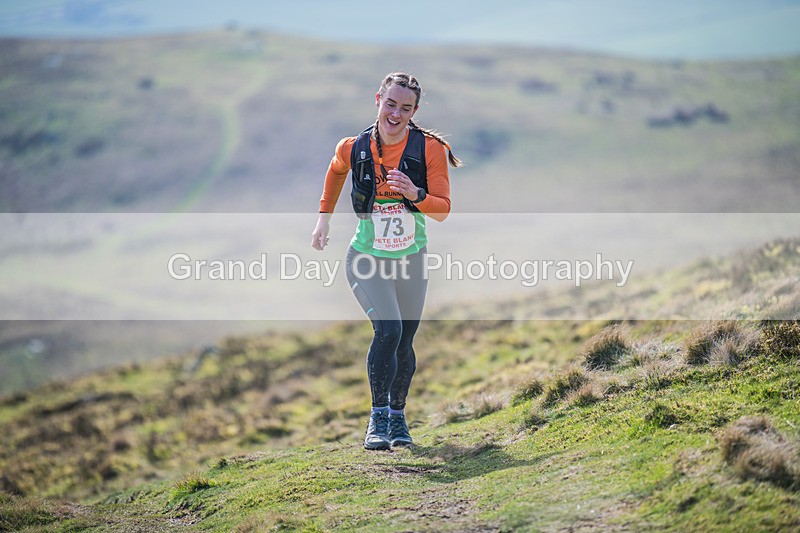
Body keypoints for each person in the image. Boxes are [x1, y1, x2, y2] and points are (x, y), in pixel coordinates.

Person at [311, 72, 461, 450]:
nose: (396, 114)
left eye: (405, 108)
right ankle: (377, 419)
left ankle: (397, 419)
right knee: (389, 331)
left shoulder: (429, 150)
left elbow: (442, 210)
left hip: (412, 258)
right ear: (377, 99)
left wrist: (415, 193)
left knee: (405, 341)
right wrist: (323, 218)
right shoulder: (353, 147)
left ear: (415, 111)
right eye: (390, 104)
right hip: (366, 258)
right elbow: (336, 171)